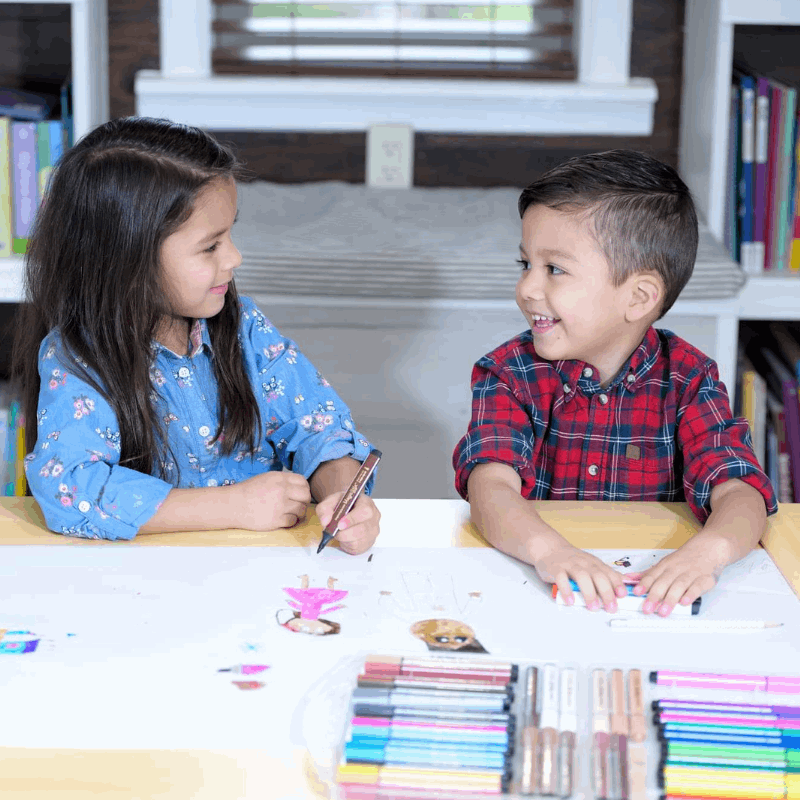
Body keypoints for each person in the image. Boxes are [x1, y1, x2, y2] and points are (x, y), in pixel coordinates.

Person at [13, 116, 380, 550]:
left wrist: (342, 494)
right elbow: (69, 489)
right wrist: (231, 506)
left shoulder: (245, 328)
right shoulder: (76, 357)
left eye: (230, 235)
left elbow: (318, 428)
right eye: (210, 246)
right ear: (128, 260)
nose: (235, 257)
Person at [452, 150, 777, 618]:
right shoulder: (508, 372)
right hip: (535, 589)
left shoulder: (689, 378)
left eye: (554, 269)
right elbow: (489, 489)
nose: (526, 288)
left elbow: (740, 490)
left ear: (639, 297)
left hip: (647, 602)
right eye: (525, 264)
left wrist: (707, 555)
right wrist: (550, 552)